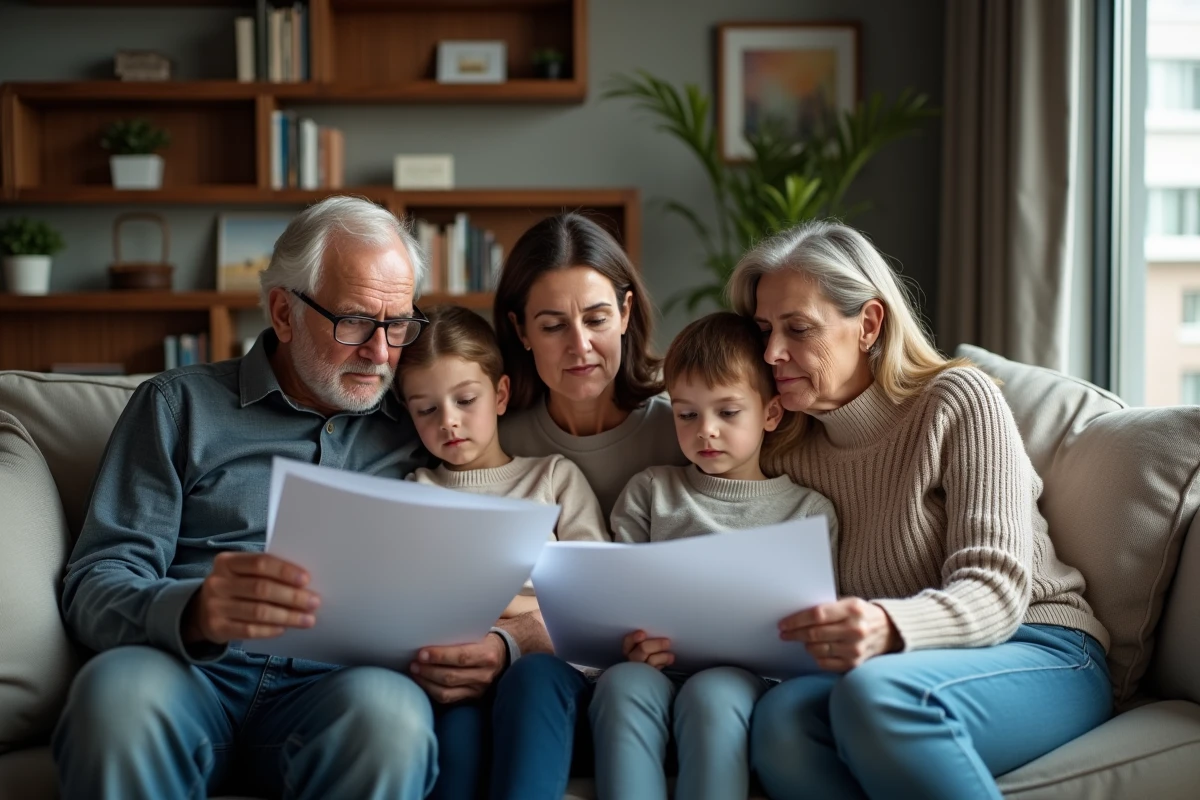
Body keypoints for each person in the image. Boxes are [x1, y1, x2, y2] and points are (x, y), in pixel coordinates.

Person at [51, 196, 550, 800]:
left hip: (338, 691)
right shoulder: (175, 408)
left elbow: (531, 556)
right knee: (117, 698)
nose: (381, 353)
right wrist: (195, 611)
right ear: (283, 313)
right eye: (356, 322)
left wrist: (504, 642)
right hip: (187, 671)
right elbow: (96, 580)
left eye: (398, 325)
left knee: (390, 719)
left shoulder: (421, 422)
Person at [728, 220, 1112, 800]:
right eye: (764, 330)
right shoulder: (785, 450)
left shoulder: (957, 402)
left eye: (798, 328)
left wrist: (888, 626)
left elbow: (999, 586)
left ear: (869, 324)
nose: (773, 353)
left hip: (1041, 647)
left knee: (876, 695)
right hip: (889, 669)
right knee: (781, 723)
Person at [590, 311, 839, 800]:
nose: (705, 431)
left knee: (714, 692)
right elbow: (615, 597)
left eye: (727, 413)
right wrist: (627, 644)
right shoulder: (650, 492)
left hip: (748, 678)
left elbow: (814, 624)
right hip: (655, 667)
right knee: (622, 687)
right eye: (687, 414)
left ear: (770, 413)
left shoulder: (808, 511)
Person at [488, 213, 688, 799]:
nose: (580, 346)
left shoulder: (690, 428)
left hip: (665, 676)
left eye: (597, 319)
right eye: (552, 326)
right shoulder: (497, 444)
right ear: (520, 330)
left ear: (625, 314)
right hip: (546, 682)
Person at [396, 304, 610, 800]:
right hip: (456, 683)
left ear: (500, 394)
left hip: (550, 678)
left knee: (532, 680)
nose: (448, 422)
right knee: (458, 734)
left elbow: (597, 595)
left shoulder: (553, 478)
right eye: (426, 409)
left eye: (465, 399)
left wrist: (507, 616)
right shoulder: (415, 490)